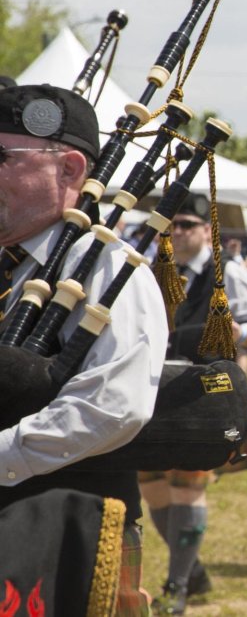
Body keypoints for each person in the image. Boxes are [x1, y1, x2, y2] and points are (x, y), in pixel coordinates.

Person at [0, 84, 168, 615]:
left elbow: (114, 406)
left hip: (73, 527)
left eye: (1, 156)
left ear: (70, 169)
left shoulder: (110, 271)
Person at [139, 192, 247, 614]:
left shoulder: (228, 273)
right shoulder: (153, 269)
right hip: (155, 388)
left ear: (206, 231)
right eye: (171, 225)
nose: (176, 233)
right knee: (152, 488)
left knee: (186, 487)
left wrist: (239, 333)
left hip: (205, 390)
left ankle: (177, 585)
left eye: (185, 225)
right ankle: (192, 570)